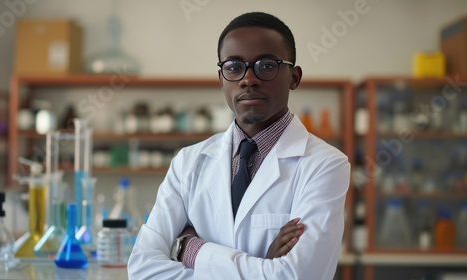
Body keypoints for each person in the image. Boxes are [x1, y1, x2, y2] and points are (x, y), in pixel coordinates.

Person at [128, 11, 350, 279]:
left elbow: (295, 276)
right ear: (221, 79)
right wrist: (262, 265)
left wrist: (190, 249)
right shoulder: (187, 162)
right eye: (233, 67)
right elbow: (142, 269)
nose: (249, 79)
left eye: (266, 65)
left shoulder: (325, 165)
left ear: (294, 77)